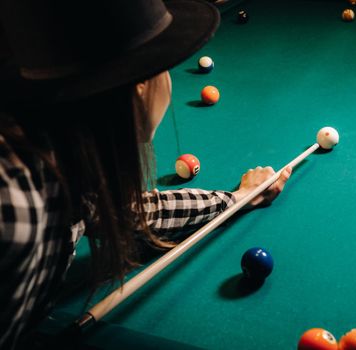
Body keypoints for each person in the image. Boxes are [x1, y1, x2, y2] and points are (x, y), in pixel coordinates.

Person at [0, 0, 292, 348]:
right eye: (164, 66)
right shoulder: (16, 209)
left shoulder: (62, 148)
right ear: (139, 87)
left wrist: (233, 201)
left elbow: (130, 214)